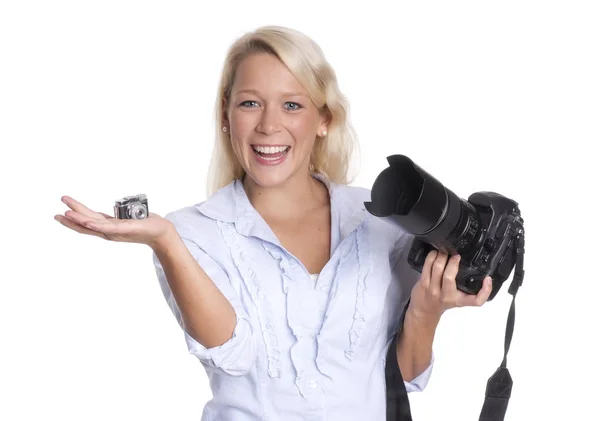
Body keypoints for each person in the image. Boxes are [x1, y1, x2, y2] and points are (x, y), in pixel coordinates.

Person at [55, 25, 493, 421]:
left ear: (323, 120)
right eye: (249, 103)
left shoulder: (379, 222)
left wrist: (426, 308)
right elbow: (232, 355)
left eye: (291, 105)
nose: (268, 125)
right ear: (226, 118)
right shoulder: (193, 232)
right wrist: (165, 241)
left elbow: (403, 376)